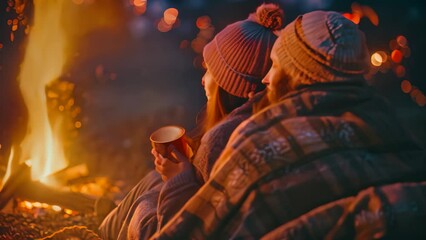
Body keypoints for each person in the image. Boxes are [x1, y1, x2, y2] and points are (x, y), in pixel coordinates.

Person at [151, 10, 426, 239]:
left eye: (275, 65)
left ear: (297, 75)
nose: (266, 78)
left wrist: (177, 183)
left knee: (142, 202)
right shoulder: (394, 128)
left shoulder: (260, 142)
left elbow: (194, 232)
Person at [98, 4, 284, 239]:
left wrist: (178, 180)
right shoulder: (265, 118)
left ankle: (107, 227)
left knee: (149, 193)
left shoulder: (221, 140)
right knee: (154, 180)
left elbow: (182, 231)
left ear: (229, 84)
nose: (203, 80)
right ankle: (110, 221)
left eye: (209, 71)